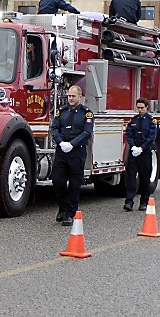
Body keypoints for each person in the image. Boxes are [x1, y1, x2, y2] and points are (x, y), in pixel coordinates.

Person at [50, 85, 94, 226]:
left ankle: (70, 213)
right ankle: (62, 208)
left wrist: (72, 144)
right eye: (69, 96)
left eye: (73, 96)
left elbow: (86, 132)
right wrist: (61, 143)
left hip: (76, 152)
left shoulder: (86, 113)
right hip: (62, 151)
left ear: (80, 97)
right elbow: (54, 128)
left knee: (75, 184)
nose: (70, 98)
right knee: (57, 181)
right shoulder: (61, 112)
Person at [123, 98, 158, 211]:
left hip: (145, 153)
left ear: (147, 107)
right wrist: (133, 146)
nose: (140, 110)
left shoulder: (151, 121)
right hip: (133, 152)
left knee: (144, 178)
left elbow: (151, 137)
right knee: (131, 178)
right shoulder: (133, 120)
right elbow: (129, 134)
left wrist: (142, 148)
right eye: (138, 108)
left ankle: (144, 202)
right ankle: (129, 201)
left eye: (142, 108)